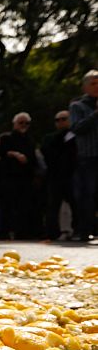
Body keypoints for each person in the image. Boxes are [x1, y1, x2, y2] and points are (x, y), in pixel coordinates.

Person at [0, 112, 37, 239]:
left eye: (26, 123)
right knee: (6, 205)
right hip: (8, 176)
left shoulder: (30, 139)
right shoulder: (5, 137)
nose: (23, 125)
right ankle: (4, 232)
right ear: (14, 123)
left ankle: (22, 232)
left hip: (25, 177)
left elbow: (33, 159)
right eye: (20, 122)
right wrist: (14, 154)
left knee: (24, 206)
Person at [70, 70, 98, 241]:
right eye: (93, 83)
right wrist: (95, 114)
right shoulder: (77, 106)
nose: (97, 87)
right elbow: (76, 128)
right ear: (85, 87)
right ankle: (85, 230)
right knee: (87, 194)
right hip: (88, 157)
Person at [41, 110, 77, 240]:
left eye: (64, 119)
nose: (61, 122)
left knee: (75, 203)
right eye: (58, 120)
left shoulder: (76, 135)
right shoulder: (50, 137)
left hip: (72, 174)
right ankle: (52, 232)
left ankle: (76, 230)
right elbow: (47, 152)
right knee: (53, 205)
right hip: (55, 175)